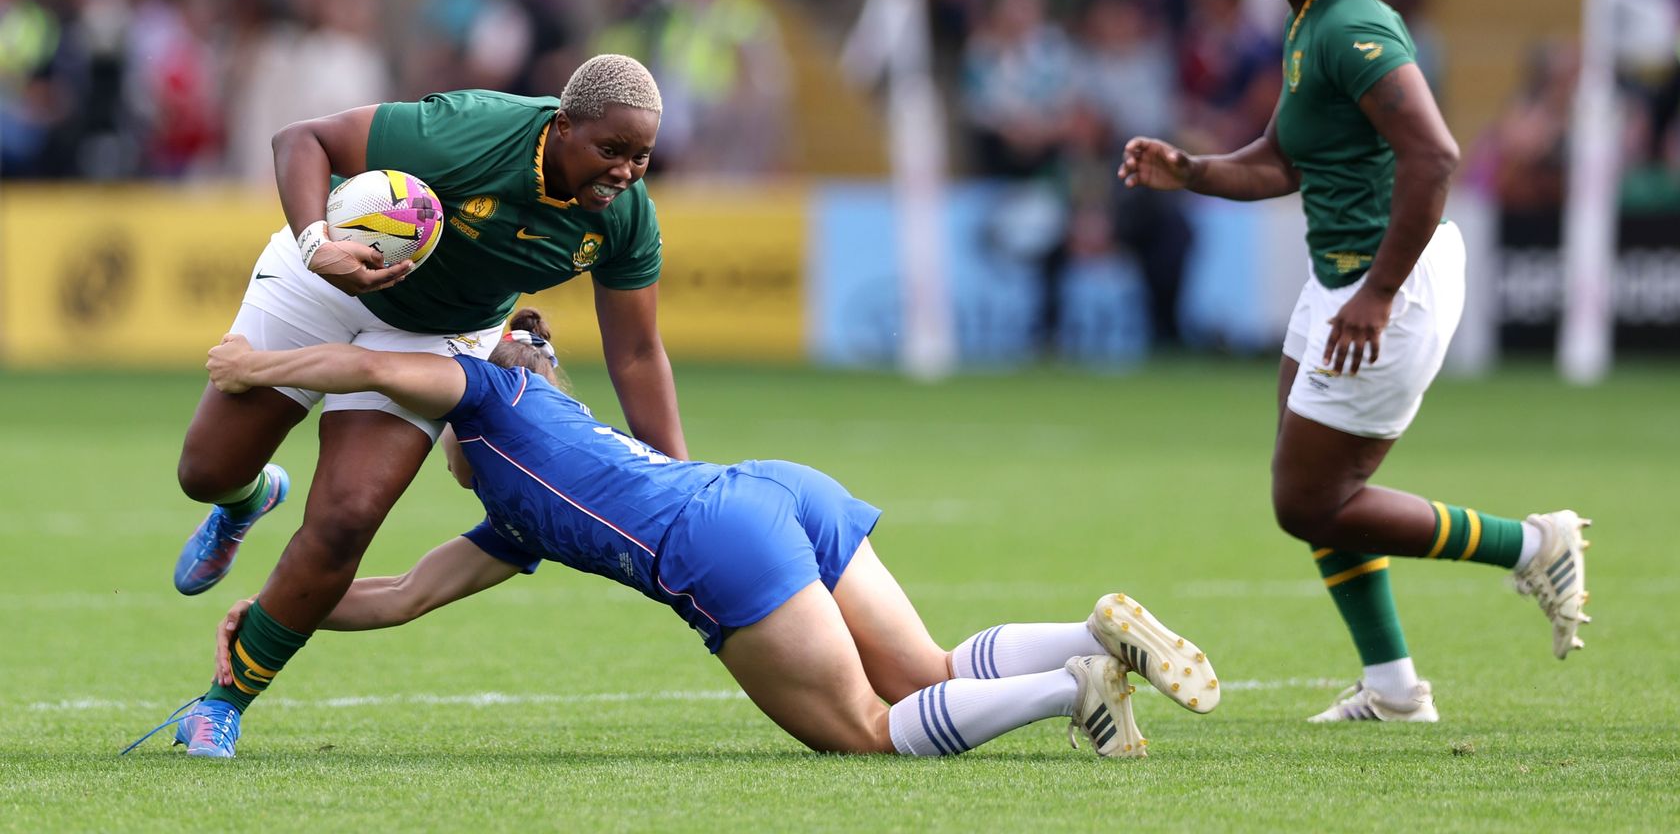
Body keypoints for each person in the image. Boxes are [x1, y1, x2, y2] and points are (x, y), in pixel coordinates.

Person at [127, 310, 1221, 759]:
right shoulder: (519, 507)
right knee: (928, 671)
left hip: (715, 540)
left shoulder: (488, 396)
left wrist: (259, 366)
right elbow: (405, 589)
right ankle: (1093, 629)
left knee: (865, 732)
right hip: (776, 488)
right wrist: (277, 616)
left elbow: (371, 365)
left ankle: (1068, 685)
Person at [1118, 0, 1591, 723]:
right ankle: (1393, 687)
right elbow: (1281, 161)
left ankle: (1531, 545)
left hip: (1385, 285)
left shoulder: (1350, 25)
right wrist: (1190, 170)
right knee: (1314, 491)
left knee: (1308, 501)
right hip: (1342, 277)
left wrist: (1376, 293)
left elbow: (1435, 155)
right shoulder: (1309, 23)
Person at [165, 54, 689, 736]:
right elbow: (302, 139)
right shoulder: (470, 132)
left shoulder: (622, 219)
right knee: (205, 472)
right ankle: (247, 498)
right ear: (562, 127)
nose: (623, 172)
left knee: (349, 516)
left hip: (437, 333)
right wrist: (317, 242)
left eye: (641, 157)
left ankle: (220, 707)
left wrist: (681, 488)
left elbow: (637, 352)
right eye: (610, 149)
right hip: (326, 277)